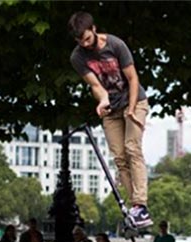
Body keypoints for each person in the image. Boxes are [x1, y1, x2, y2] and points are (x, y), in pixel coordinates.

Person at [68, 11, 152, 228]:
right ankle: (137, 210)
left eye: (87, 39)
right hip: (112, 109)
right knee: (119, 158)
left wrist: (132, 109)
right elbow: (96, 86)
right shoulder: (77, 57)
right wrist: (103, 100)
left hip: (135, 100)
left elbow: (133, 79)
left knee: (132, 148)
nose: (85, 44)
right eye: (80, 41)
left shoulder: (115, 45)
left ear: (94, 30)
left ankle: (140, 204)